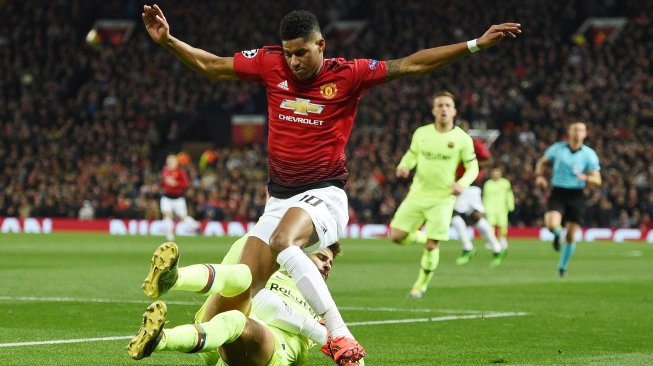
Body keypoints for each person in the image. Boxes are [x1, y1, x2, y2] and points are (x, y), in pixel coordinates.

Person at [143, 4, 520, 362]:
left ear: (321, 44)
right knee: (246, 285)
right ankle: (192, 319)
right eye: (289, 54)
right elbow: (212, 66)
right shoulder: (269, 62)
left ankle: (339, 334)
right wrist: (168, 41)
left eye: (301, 53)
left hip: (324, 193)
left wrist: (475, 44)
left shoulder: (349, 73)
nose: (293, 61)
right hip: (279, 200)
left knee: (282, 242)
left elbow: (410, 64)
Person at [127, 238, 349, 365]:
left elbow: (351, 351)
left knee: (235, 320)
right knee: (243, 274)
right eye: (321, 258)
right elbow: (264, 305)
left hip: (272, 350)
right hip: (218, 332)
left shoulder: (322, 302)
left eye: (330, 262)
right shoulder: (273, 272)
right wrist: (320, 334)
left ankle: (160, 340)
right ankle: (173, 279)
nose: (328, 265)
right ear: (299, 257)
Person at [389, 91, 479, 298]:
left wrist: (462, 183)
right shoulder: (422, 133)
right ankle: (423, 237)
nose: (444, 109)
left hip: (443, 198)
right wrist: (404, 166)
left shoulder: (462, 139)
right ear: (433, 110)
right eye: (439, 105)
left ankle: (420, 286)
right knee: (396, 236)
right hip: (417, 194)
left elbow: (472, 167)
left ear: (454, 111)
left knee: (432, 245)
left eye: (448, 105)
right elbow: (411, 155)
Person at [534, 121, 601, 277]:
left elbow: (598, 181)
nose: (577, 132)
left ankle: (562, 267)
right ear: (569, 133)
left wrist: (586, 178)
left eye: (581, 130)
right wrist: (539, 176)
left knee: (571, 235)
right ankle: (557, 235)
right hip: (558, 192)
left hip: (577, 195)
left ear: (585, 134)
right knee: (551, 225)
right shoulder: (558, 149)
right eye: (575, 129)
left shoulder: (589, 154)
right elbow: (542, 161)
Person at [450, 122, 506, 267]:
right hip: (463, 184)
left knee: (452, 214)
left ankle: (467, 248)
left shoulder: (474, 144)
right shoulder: (453, 144)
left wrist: (472, 165)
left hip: (468, 184)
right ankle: (497, 248)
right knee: (475, 217)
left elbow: (489, 160)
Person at [160, 153, 200, 241]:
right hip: (166, 197)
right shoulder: (165, 170)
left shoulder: (180, 171)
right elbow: (162, 183)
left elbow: (186, 184)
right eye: (168, 160)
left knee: (183, 217)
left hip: (178, 198)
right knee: (167, 214)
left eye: (172, 160)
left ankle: (196, 226)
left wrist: (175, 183)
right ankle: (170, 235)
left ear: (176, 162)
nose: (170, 162)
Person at [482, 167, 515, 251]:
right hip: (490, 208)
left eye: (497, 172)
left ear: (500, 173)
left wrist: (510, 205)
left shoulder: (505, 183)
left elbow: (509, 194)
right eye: (494, 172)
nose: (495, 174)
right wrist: (483, 207)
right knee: (490, 226)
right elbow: (484, 196)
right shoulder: (488, 183)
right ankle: (491, 241)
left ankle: (502, 240)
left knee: (503, 225)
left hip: (502, 208)